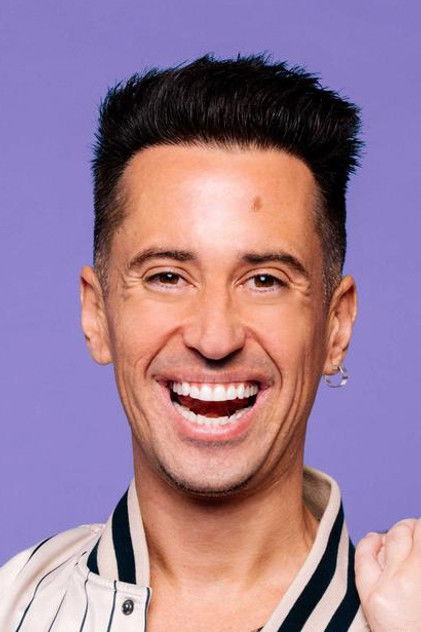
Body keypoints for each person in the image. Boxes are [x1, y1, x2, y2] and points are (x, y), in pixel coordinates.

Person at [0, 54, 419, 632]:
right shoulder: (14, 603)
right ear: (97, 314)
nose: (215, 338)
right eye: (167, 277)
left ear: (336, 327)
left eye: (265, 280)